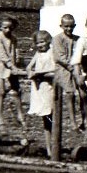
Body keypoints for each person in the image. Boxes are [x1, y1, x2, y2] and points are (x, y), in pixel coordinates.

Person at [0, 18, 26, 135]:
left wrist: (16, 61)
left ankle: (20, 115)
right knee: (1, 92)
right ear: (0, 27)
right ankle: (0, 119)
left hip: (10, 67)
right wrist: (11, 66)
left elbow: (15, 51)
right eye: (5, 27)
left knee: (16, 91)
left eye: (10, 28)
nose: (7, 30)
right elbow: (2, 54)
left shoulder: (13, 38)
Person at [26, 31, 60, 160]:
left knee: (50, 115)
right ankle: (48, 149)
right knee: (45, 118)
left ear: (48, 42)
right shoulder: (38, 54)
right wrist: (30, 71)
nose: (40, 45)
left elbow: (54, 68)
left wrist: (38, 72)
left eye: (42, 42)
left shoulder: (51, 52)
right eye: (38, 43)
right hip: (39, 88)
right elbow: (29, 66)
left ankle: (54, 146)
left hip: (48, 86)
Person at [51, 13, 83, 128]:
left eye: (71, 26)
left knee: (83, 93)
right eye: (66, 26)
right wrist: (72, 68)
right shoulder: (57, 39)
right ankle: (73, 121)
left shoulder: (77, 39)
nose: (69, 29)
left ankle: (84, 119)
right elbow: (60, 57)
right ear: (61, 26)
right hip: (63, 69)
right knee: (70, 94)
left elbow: (81, 53)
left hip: (75, 68)